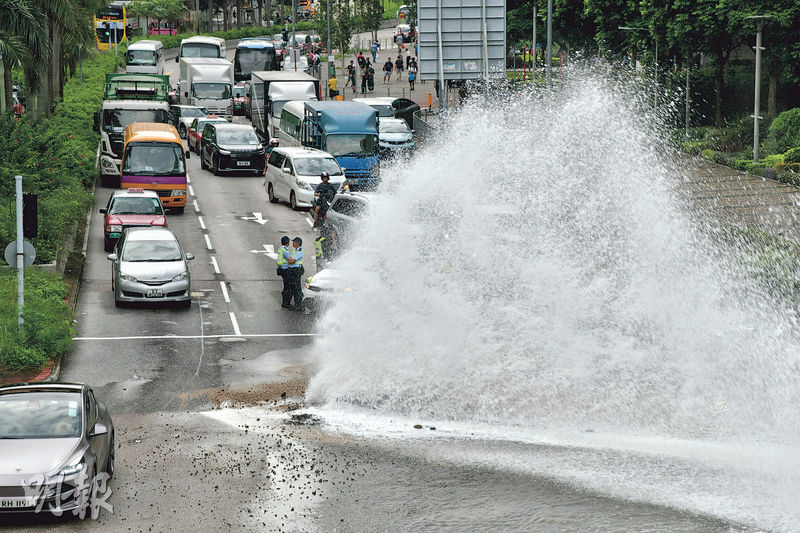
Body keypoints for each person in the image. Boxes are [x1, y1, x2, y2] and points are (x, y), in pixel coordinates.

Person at [283, 237, 304, 310]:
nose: (292, 243)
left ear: (298, 243)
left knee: (297, 289)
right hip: (292, 271)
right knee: (292, 287)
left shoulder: (299, 252)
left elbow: (291, 261)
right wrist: (290, 260)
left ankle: (298, 305)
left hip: (296, 271)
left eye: (294, 242)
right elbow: (290, 260)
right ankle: (294, 304)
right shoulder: (294, 251)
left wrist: (290, 260)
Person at [277, 236, 291, 308]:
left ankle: (285, 302)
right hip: (285, 269)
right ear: (287, 242)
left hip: (281, 269)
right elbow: (290, 260)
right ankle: (286, 302)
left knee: (286, 286)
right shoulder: (285, 251)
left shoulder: (281, 249)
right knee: (287, 287)